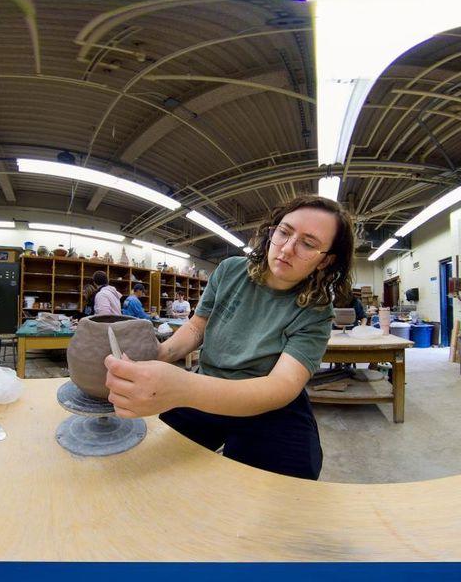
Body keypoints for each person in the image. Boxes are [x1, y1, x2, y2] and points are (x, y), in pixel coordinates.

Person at [103, 195, 354, 480]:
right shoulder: (231, 271)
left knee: (292, 484)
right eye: (284, 232)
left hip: (267, 402)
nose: (287, 248)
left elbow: (281, 386)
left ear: (326, 261)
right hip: (208, 382)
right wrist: (160, 353)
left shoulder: (317, 310)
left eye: (308, 244)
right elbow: (197, 328)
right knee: (147, 466)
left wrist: (181, 387)